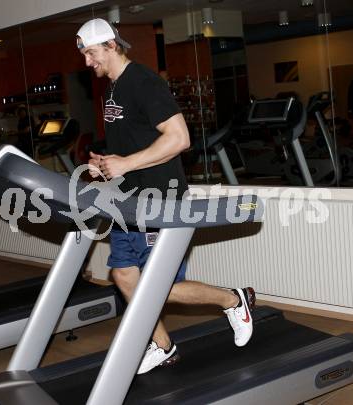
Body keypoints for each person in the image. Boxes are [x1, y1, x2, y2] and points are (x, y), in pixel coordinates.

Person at [77, 18, 256, 375]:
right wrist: (106, 164)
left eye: (91, 53)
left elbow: (179, 138)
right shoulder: (112, 88)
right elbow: (132, 146)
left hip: (160, 201)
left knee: (164, 287)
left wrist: (125, 163)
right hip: (127, 203)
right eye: (84, 54)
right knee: (124, 276)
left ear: (111, 46)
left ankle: (235, 300)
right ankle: (163, 346)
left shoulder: (143, 82)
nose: (86, 62)